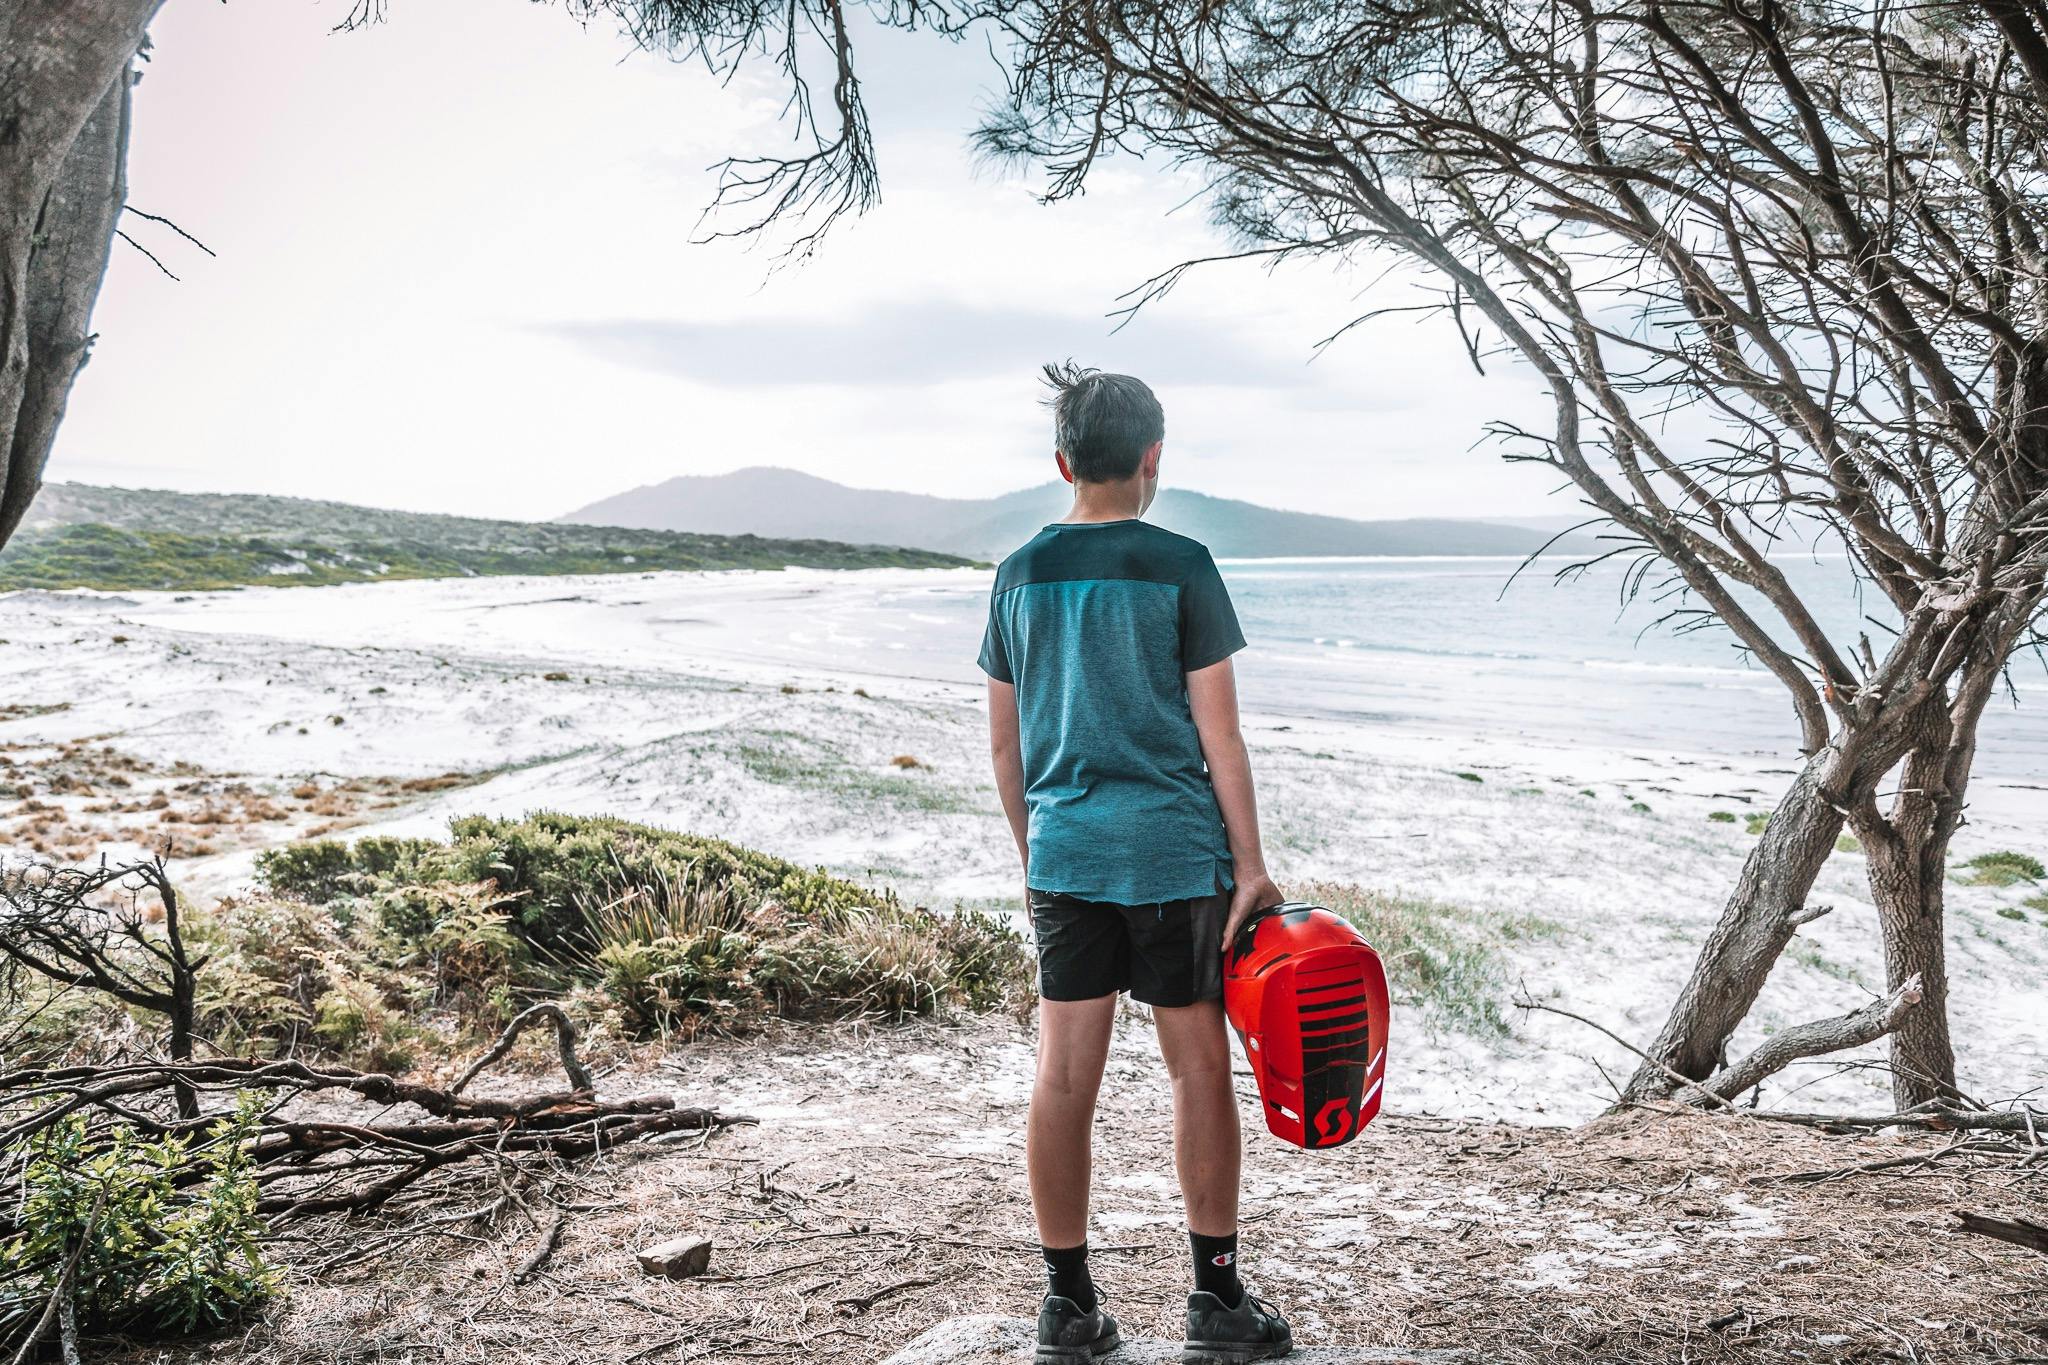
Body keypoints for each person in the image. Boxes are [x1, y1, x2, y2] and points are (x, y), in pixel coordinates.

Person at [979, 361, 1292, 1364]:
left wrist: (1039, 854)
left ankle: (1067, 1307)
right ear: (1153, 457)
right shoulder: (1183, 564)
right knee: (1198, 1069)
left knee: (1063, 1076)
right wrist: (1251, 865)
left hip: (1066, 854)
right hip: (1173, 857)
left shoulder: (1018, 574)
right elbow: (1221, 736)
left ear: (1062, 461)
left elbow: (1004, 748)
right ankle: (1216, 1302)